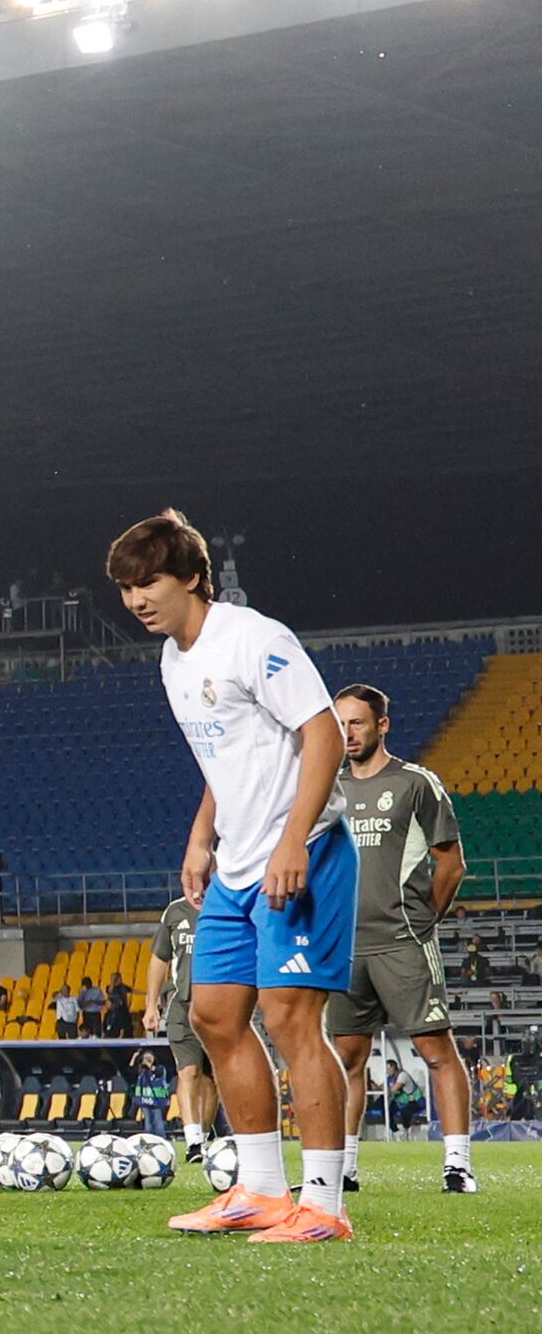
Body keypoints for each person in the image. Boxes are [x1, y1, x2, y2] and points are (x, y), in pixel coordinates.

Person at [110, 509, 357, 1242]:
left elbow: (323, 734)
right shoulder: (173, 660)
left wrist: (292, 844)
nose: (136, 599)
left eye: (148, 581)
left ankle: (324, 1207)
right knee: (213, 1015)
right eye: (125, 588)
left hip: (302, 853)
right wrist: (200, 836)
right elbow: (226, 760)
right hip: (237, 862)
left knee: (289, 1019)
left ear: (191, 576)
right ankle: (258, 1190)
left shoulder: (254, 638)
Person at [322, 682, 476, 1198]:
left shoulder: (415, 783)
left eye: (357, 723)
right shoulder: (328, 786)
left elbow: (451, 865)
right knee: (345, 1058)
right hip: (344, 947)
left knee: (435, 1049)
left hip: (402, 942)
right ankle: (344, 1167)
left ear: (382, 725)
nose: (347, 733)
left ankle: (457, 1165)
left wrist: (424, 919)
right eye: (340, 723)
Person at [138, 886, 212, 1141]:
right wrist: (151, 1004)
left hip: (220, 1006)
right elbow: (159, 959)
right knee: (188, 1071)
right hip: (183, 1005)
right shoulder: (175, 911)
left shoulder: (227, 905)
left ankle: (204, 1134)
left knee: (213, 1080)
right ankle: (193, 1142)